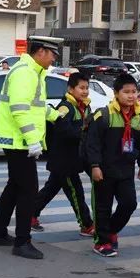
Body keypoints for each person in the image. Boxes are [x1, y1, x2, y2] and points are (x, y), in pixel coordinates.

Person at [0, 36, 64, 260]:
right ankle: (22, 242)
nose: (53, 60)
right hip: (18, 141)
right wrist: (32, 140)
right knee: (29, 191)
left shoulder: (34, 72)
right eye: (52, 55)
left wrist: (56, 115)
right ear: (40, 52)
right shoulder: (25, 73)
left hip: (17, 140)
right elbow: (19, 109)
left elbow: (36, 107)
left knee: (14, 187)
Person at [86, 74, 140, 257]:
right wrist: (95, 165)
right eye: (126, 92)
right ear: (116, 93)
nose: (131, 96)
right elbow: (93, 143)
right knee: (102, 207)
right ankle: (102, 242)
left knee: (129, 204)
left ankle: (110, 231)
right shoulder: (104, 115)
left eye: (134, 92)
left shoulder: (139, 117)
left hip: (125, 170)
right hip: (104, 171)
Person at [31, 72, 95, 237]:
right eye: (81, 88)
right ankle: (86, 224)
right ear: (70, 89)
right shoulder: (66, 107)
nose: (85, 91)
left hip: (73, 158)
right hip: (64, 160)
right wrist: (83, 129)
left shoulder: (85, 106)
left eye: (87, 88)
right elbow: (63, 130)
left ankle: (30, 214)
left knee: (50, 189)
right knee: (76, 192)